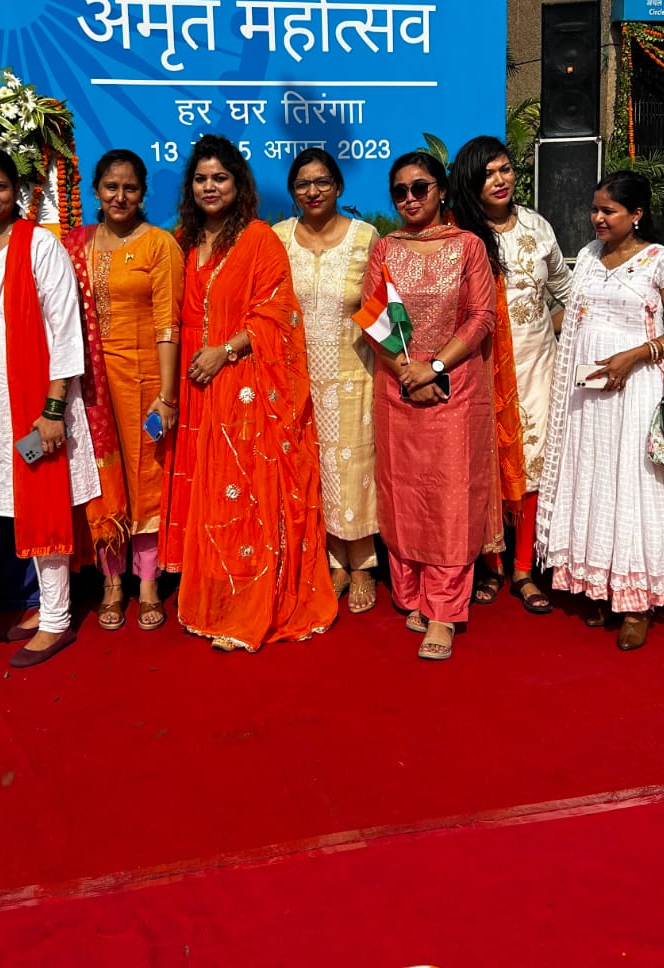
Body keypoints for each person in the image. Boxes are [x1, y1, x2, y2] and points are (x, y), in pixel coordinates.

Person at [159, 134, 337, 651]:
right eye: (201, 179)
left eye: (220, 177)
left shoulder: (259, 239)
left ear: (239, 184)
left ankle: (249, 601)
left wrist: (226, 350)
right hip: (195, 386)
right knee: (208, 492)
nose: (209, 187)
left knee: (240, 490)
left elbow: (279, 313)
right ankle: (216, 593)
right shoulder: (184, 240)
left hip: (242, 385)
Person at [0, 148, 99, 670]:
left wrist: (54, 408)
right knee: (15, 502)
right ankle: (44, 602)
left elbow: (65, 330)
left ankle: (58, 618)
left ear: (17, 191)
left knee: (41, 499)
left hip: (38, 402)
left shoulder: (40, 245)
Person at [538, 171, 664, 650]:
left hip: (636, 390)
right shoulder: (588, 255)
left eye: (609, 211)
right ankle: (602, 586)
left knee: (633, 486)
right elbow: (574, 317)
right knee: (595, 482)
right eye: (595, 209)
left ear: (637, 214)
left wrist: (634, 356)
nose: (598, 218)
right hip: (588, 395)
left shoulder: (662, 262)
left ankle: (637, 602)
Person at [364, 151, 497, 661]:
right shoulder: (386, 248)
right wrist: (407, 370)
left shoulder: (468, 246)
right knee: (403, 492)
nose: (410, 198)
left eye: (420, 187)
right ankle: (414, 592)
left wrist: (434, 367)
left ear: (441, 190)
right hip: (398, 386)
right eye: (400, 191)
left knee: (450, 497)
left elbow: (481, 316)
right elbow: (374, 314)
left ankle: (444, 609)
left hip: (455, 389)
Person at [62, 149, 184, 632]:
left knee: (145, 479)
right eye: (111, 187)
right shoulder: (76, 245)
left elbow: (168, 323)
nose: (120, 196)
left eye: (130, 188)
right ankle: (112, 582)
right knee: (102, 478)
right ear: (96, 191)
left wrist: (167, 395)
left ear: (143, 193)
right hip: (90, 385)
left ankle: (148, 582)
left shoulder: (158, 244)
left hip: (145, 380)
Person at [455, 134, 570, 614]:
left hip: (538, 366)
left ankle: (523, 568)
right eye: (487, 174)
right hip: (479, 368)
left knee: (532, 462)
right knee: (484, 464)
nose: (499, 180)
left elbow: (566, 290)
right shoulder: (458, 233)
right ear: (469, 182)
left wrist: (555, 337)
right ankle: (490, 565)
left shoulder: (537, 226)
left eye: (504, 169)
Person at [274, 149, 380, 614]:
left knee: (354, 470)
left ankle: (363, 565)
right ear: (292, 191)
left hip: (354, 373)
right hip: (297, 376)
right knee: (313, 470)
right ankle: (332, 561)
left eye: (322, 182)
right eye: (303, 184)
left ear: (338, 186)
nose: (313, 191)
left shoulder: (366, 237)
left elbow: (383, 306)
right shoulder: (279, 238)